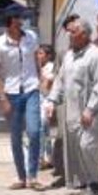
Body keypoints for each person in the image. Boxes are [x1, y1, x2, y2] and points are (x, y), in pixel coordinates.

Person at [45, 15, 98, 195]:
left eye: (73, 32)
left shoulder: (96, 55)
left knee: (87, 145)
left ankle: (96, 182)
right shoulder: (68, 56)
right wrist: (51, 101)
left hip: (93, 111)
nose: (69, 36)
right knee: (77, 149)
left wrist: (90, 109)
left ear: (84, 35)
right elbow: (60, 80)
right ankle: (86, 182)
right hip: (72, 110)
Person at [0, 3, 43, 190]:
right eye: (20, 18)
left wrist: (41, 81)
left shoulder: (31, 38)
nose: (23, 21)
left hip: (31, 89)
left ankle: (33, 174)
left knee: (35, 131)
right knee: (15, 136)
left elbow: (36, 61)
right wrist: (2, 97)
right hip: (11, 92)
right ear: (11, 21)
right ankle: (21, 176)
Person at [37, 43, 58, 175]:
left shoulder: (50, 68)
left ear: (48, 56)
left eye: (41, 54)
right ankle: (48, 158)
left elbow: (46, 87)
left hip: (47, 101)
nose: (38, 56)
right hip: (40, 100)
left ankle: (41, 158)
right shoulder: (41, 68)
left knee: (41, 129)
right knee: (45, 131)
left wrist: (39, 75)